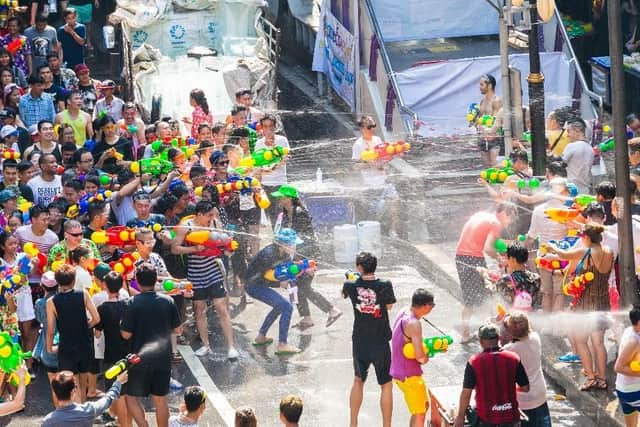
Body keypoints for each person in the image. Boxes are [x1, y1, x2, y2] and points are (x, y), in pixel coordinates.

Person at [544, 223, 613, 390]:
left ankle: (591, 377)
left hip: (586, 304)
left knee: (580, 340)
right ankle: (602, 379)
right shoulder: (608, 251)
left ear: (587, 238)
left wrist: (552, 245)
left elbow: (564, 254)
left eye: (583, 237)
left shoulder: (588, 251)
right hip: (602, 302)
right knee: (598, 342)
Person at [171, 200, 238, 359]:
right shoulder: (186, 227)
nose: (212, 218)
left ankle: (231, 347)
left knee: (222, 308)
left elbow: (224, 244)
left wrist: (229, 249)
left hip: (214, 269)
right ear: (199, 214)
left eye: (213, 214)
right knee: (199, 310)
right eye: (209, 215)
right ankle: (206, 346)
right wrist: (193, 249)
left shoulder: (215, 224)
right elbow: (175, 248)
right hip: (195, 273)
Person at [271, 184, 342, 328]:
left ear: (289, 198)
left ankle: (332, 310)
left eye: (281, 196)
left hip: (308, 255)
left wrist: (303, 259)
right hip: (295, 255)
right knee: (296, 286)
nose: (278, 199)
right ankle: (306, 318)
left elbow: (305, 237)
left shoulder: (299, 212)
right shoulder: (284, 214)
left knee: (304, 287)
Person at [121, 262, 182, 427]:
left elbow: (126, 334)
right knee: (161, 400)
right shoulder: (168, 301)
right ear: (156, 280)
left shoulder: (132, 302)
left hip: (138, 360)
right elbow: (178, 330)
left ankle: (143, 425)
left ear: (138, 282)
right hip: (162, 359)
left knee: (131, 397)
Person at [343, 251, 396, 427]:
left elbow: (343, 294)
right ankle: (386, 425)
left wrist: (352, 278)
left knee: (358, 380)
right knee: (386, 384)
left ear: (359, 267)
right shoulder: (385, 284)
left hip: (360, 341)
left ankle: (353, 424)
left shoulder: (350, 285)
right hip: (380, 340)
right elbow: (388, 305)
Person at [455, 204, 513, 342]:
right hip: (473, 259)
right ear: (504, 213)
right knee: (489, 292)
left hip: (460, 257)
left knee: (470, 298)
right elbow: (488, 248)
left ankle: (466, 332)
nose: (509, 222)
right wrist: (500, 259)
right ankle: (491, 331)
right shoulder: (496, 223)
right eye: (510, 218)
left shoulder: (481, 215)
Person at [453, 324, 529, 427]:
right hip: (511, 418)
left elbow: (466, 394)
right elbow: (525, 387)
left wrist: (460, 417)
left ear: (480, 341)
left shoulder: (474, 362)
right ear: (499, 338)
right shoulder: (514, 358)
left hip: (486, 419)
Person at [244, 228, 304, 354]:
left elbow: (287, 271)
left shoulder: (285, 255)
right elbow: (260, 276)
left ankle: (261, 337)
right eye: (293, 244)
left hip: (261, 284)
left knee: (280, 306)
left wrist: (303, 269)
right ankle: (282, 344)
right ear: (283, 244)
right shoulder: (268, 254)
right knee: (286, 307)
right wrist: (278, 283)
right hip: (253, 285)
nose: (294, 247)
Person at [46, 264, 100, 404]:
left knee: (70, 384)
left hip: (66, 346)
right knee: (82, 382)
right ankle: (81, 412)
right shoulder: (83, 293)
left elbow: (51, 329)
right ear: (74, 280)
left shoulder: (51, 302)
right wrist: (84, 326)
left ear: (58, 282)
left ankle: (73, 415)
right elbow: (96, 318)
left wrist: (49, 347)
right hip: (84, 344)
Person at [390, 288, 435, 427]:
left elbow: (408, 339)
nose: (432, 308)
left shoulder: (404, 311)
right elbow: (421, 357)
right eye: (432, 305)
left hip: (398, 372)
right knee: (420, 413)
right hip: (410, 376)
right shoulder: (415, 324)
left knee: (421, 408)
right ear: (425, 306)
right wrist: (429, 355)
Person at [526, 177, 570, 313]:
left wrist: (523, 248)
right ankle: (555, 327)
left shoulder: (539, 210)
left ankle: (546, 326)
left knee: (546, 292)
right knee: (559, 293)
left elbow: (531, 236)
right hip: (561, 257)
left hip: (544, 257)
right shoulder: (568, 212)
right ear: (563, 192)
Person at [95, 271, 131, 427]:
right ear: (122, 285)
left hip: (110, 355)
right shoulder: (129, 304)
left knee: (117, 393)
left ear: (104, 286)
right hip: (128, 354)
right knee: (128, 394)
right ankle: (117, 418)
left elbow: (97, 333)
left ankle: (122, 423)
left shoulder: (102, 308)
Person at [503, 313, 552, 427]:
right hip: (540, 394)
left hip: (522, 399)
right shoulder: (535, 338)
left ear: (512, 329)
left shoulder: (510, 349)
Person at [42, 369, 128, 427]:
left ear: (55, 392)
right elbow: (109, 398)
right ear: (73, 391)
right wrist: (118, 382)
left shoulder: (48, 421)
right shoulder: (88, 410)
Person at [255, 114, 289, 226]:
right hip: (267, 186)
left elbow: (285, 159)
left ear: (275, 127)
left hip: (281, 184)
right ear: (262, 128)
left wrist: (273, 147)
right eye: (265, 126)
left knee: (285, 217)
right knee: (274, 219)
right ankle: (277, 241)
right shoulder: (259, 144)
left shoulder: (282, 140)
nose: (268, 129)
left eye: (271, 126)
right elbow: (258, 167)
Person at [33, 271, 59, 403]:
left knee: (52, 379)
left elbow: (38, 319)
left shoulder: (39, 303)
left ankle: (58, 407)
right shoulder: (61, 299)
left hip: (47, 340)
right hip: (63, 340)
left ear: (42, 286)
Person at [614, 306, 640, 427]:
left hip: (624, 389)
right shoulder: (634, 341)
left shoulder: (629, 330)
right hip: (633, 391)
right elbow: (618, 367)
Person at [494, 244, 540, 312]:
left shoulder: (504, 281)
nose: (506, 261)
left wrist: (485, 276)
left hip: (513, 317)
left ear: (513, 259)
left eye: (507, 258)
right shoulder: (536, 278)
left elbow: (502, 302)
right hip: (531, 315)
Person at [475, 74, 504, 167]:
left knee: (494, 166)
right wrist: (474, 120)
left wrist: (484, 127)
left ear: (490, 85)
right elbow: (478, 121)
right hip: (483, 138)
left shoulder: (496, 101)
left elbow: (495, 121)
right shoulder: (482, 101)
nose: (479, 87)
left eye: (482, 84)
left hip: (494, 139)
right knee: (487, 167)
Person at [562, 118, 594, 194]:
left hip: (571, 190)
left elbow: (560, 165)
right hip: (585, 191)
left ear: (577, 130)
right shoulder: (590, 149)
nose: (567, 135)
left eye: (569, 131)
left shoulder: (571, 146)